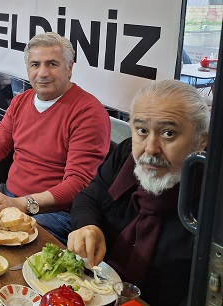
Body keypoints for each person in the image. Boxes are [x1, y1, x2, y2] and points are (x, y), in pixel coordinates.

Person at [0, 32, 111, 244]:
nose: (42, 73)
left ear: (70, 67)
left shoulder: (89, 112)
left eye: (52, 64)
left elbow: (78, 184)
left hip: (55, 214)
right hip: (9, 196)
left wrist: (22, 204)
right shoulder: (22, 101)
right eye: (35, 65)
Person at [67, 80, 209, 306]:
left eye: (168, 133)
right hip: (97, 287)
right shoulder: (126, 155)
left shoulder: (211, 198)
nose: (150, 148)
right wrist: (88, 226)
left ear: (201, 140)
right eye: (142, 131)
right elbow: (88, 198)